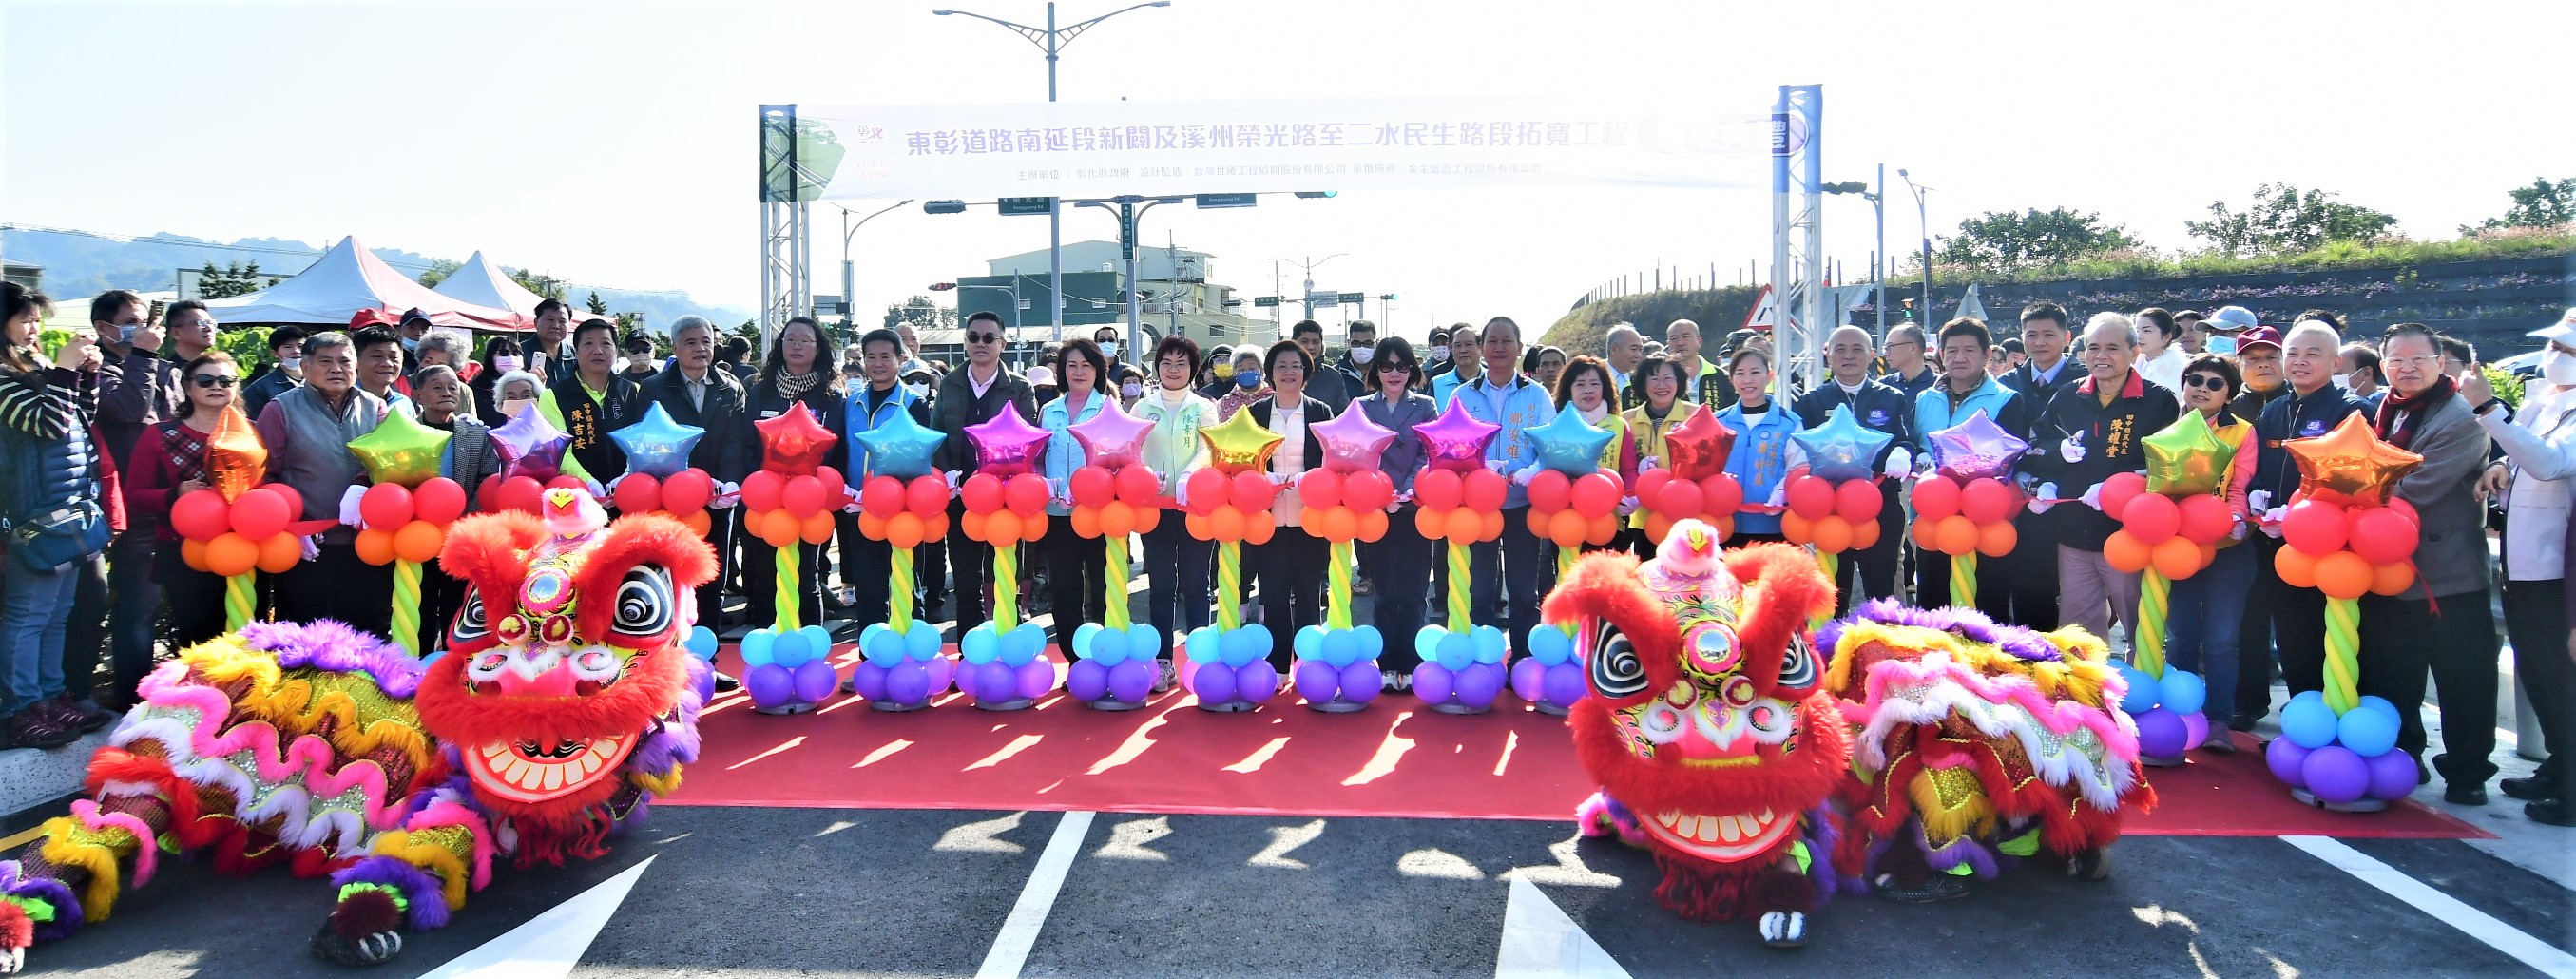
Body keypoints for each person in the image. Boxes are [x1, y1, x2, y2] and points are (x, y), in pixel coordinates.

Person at [2359, 322, 2498, 805]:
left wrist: (2350, 494)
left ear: (2443, 363)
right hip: (2391, 570)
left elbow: (2415, 487)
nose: (2407, 368)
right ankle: (2405, 757)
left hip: (2448, 575)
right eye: (2397, 359)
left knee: (2464, 680)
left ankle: (2467, 773)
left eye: (2419, 359)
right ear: (2383, 365)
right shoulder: (2387, 408)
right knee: (2392, 673)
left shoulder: (2461, 418)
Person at [2466, 309, 2576, 825]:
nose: (2555, 358)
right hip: (2524, 558)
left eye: (2568, 351)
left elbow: (2550, 462)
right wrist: (2497, 465)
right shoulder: (2547, 400)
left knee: (2559, 675)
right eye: (2555, 348)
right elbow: (2519, 457)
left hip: (2558, 569)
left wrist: (2488, 407)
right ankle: (2559, 765)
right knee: (2538, 669)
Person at [1, 284, 114, 747]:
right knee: (26, 615)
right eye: (25, 319)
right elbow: (47, 425)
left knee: (56, 614)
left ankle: (50, 697)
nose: (35, 328)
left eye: (37, 319)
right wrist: (65, 371)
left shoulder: (35, 367)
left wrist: (85, 377)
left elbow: (76, 419)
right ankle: (18, 708)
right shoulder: (4, 379)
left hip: (65, 509)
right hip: (31, 514)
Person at [2023, 312, 2181, 644]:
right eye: (2093, 347)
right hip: (2073, 532)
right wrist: (2057, 454)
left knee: (2141, 624)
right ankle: (2088, 693)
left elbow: (2167, 468)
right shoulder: (2068, 395)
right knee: (2078, 628)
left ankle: (2143, 689)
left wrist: (2120, 486)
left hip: (2128, 535)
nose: (2101, 356)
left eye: (2112, 347)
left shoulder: (2159, 401)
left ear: (2134, 352)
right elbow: (2036, 444)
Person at [2243, 320, 2365, 735]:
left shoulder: (2350, 410)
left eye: (2312, 354)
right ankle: (2303, 725)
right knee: (2293, 637)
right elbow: (2259, 465)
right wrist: (2259, 497)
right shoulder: (2276, 408)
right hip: (2276, 543)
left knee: (2329, 637)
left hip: (2329, 548)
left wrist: (2298, 514)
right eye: (2292, 353)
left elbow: (2351, 480)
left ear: (2335, 361)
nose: (2299, 362)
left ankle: (2335, 726)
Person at [253, 331, 394, 637]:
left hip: (366, 546)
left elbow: (386, 464)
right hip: (307, 548)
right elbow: (263, 478)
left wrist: (362, 483)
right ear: (304, 367)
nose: (336, 369)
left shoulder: (376, 408)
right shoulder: (280, 410)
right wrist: (290, 525)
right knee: (308, 636)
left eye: (345, 361)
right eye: (325, 361)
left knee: (369, 631)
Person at [123, 351, 249, 660]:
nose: (216, 386)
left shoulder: (251, 432)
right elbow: (134, 494)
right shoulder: (159, 434)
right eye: (206, 380)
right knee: (197, 641)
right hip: (184, 551)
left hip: (244, 548)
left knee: (244, 638)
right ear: (188, 387)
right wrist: (176, 493)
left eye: (225, 380)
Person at [2162, 354, 2259, 754]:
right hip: (2178, 546)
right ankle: (2181, 716)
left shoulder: (2243, 433)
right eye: (2195, 379)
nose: (2202, 388)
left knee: (2221, 638)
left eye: (2214, 383)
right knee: (2181, 634)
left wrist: (2234, 517)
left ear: (2229, 394)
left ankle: (2219, 718)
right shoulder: (2167, 428)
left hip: (2227, 546)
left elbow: (2240, 485)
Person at [1912, 317, 2029, 623]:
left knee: (1988, 603)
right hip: (1935, 516)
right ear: (1940, 353)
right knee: (1932, 601)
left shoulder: (2006, 400)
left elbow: (2013, 460)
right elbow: (1916, 445)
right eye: (1951, 351)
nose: (1959, 358)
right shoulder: (1925, 399)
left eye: (1968, 350)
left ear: (1987, 354)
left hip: (1986, 518)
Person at [1791, 325, 1916, 611]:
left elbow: (1907, 439)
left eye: (1858, 349)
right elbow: (1797, 450)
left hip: (1879, 501)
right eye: (1840, 350)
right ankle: (1833, 647)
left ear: (1872, 355)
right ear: (1827, 355)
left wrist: (1901, 452)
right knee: (1833, 586)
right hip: (1830, 507)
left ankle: (1881, 642)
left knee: (1881, 582)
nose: (1849, 356)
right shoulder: (1812, 401)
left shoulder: (1891, 396)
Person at [645, 316, 754, 636]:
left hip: (717, 497)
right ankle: (669, 656)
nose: (700, 349)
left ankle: (709, 657)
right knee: (669, 575)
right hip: (669, 497)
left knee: (712, 575)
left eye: (706, 341)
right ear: (675, 348)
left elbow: (737, 439)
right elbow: (647, 444)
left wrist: (731, 480)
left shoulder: (730, 387)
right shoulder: (653, 389)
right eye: (691, 342)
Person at [1455, 317, 1557, 661]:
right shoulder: (1462, 395)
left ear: (1519, 347)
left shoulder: (1537, 394)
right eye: (1492, 341)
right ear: (1482, 347)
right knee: (1481, 590)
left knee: (1523, 590)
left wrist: (1533, 470)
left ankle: (1524, 659)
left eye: (1507, 341)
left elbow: (1551, 447)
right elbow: (1447, 447)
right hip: (1478, 507)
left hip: (1523, 506)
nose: (1499, 348)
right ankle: (1484, 658)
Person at [932, 312, 1036, 636]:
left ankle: (1012, 649)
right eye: (973, 337)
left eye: (989, 338)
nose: (980, 344)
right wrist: (947, 473)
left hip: (1005, 497)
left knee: (1006, 576)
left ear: (1002, 344)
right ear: (965, 342)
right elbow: (936, 433)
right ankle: (969, 653)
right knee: (965, 581)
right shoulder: (949, 383)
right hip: (960, 494)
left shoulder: (1019, 387)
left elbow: (1030, 437)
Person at [1243, 340, 1333, 669]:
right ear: (1271, 373)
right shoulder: (1255, 413)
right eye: (1281, 366)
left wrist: (1310, 479)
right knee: (1273, 595)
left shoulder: (1320, 412)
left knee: (1309, 595)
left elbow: (1331, 461)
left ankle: (1308, 664)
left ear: (1305, 371)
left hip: (1308, 519)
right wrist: (1263, 478)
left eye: (1296, 365)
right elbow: (1245, 462)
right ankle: (1279, 664)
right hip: (1267, 521)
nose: (1289, 372)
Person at [1134, 336, 1214, 690]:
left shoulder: (1204, 407)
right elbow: (1131, 451)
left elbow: (1208, 448)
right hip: (1155, 508)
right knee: (1162, 586)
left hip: (1195, 505)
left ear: (1192, 369)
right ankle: (1162, 660)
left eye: (1182, 363)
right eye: (1167, 362)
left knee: (1197, 584)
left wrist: (1188, 475)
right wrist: (1145, 476)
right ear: (1158, 367)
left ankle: (1199, 659)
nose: (1173, 369)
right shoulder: (1141, 408)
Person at [1359, 336, 1437, 688]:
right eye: (1387, 365)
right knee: (1385, 588)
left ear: (1412, 370)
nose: (1395, 373)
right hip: (1376, 507)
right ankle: (1388, 662)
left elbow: (1430, 451)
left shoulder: (1425, 406)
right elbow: (1357, 452)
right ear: (1376, 369)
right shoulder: (1361, 407)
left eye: (1402, 366)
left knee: (1414, 586)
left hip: (1416, 506)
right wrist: (1382, 488)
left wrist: (1407, 487)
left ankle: (1413, 660)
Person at [2000, 302, 2083, 630]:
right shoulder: (2007, 383)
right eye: (2031, 335)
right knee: (2027, 579)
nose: (2039, 342)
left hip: (2072, 495)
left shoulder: (2084, 381)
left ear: (2066, 336)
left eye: (2049, 334)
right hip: (2019, 494)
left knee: (2075, 588)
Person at [411, 364, 497, 656]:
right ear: (418, 394)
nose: (447, 392)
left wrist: (462, 518)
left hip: (459, 534)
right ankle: (416, 662)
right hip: (416, 535)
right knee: (418, 603)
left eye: (452, 387)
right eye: (437, 387)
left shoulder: (476, 435)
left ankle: (453, 663)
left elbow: (487, 479)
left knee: (456, 603)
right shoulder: (406, 432)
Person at [1034, 338, 1115, 653]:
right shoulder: (1049, 410)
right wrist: (1046, 485)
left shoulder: (1109, 409)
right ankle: (1074, 658)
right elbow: (1038, 458)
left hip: (1098, 513)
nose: (1079, 372)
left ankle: (1106, 654)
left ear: (1098, 370)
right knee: (1065, 587)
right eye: (1071, 365)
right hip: (1057, 514)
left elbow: (1118, 461)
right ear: (1061, 370)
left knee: (1103, 585)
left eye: (1086, 365)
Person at [537, 318, 644, 486]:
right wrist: (588, 483)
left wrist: (628, 475)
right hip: (577, 496)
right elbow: (560, 452)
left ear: (616, 351)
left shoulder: (633, 391)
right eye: (588, 344)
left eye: (606, 344)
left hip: (631, 490)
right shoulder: (553, 396)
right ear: (576, 351)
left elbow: (643, 442)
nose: (598, 350)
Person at [1713, 349, 1802, 545]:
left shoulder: (1789, 422)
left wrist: (1782, 492)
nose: (1747, 380)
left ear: (1769, 376)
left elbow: (1799, 468)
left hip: (1774, 525)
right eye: (1740, 373)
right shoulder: (1717, 421)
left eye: (1755, 372)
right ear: (1731, 379)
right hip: (1725, 525)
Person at [1622, 356, 1691, 554]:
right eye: (1653, 378)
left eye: (1668, 378)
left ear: (1679, 381)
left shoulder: (1694, 415)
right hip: (1644, 517)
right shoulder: (1627, 419)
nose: (1662, 385)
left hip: (1685, 512)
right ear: (1643, 384)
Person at [1551, 355, 1636, 508]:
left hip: (1609, 512)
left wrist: (1630, 497)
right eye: (1580, 384)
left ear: (1604, 388)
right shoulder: (1556, 425)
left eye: (1595, 384)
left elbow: (1629, 470)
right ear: (1569, 390)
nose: (1588, 390)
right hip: (1567, 513)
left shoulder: (1619, 425)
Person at [240, 324, 309, 421]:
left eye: (300, 346)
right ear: (275, 353)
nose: (296, 351)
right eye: (288, 347)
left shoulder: (319, 382)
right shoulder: (259, 389)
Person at [1662, 318, 1730, 410]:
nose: (1680, 343)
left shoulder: (1721, 376)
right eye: (1674, 338)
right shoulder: (1660, 378)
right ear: (1668, 344)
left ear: (1699, 341)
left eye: (1686, 337)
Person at [1288, 320, 1354, 413]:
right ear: (1293, 343)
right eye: (1304, 341)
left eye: (1315, 342)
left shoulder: (1333, 377)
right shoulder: (1281, 374)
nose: (1310, 347)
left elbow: (1344, 415)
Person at [351, 324, 414, 417]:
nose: (387, 363)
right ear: (356, 360)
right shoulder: (344, 402)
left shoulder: (403, 403)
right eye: (377, 356)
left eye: (393, 357)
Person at [2133, 308, 2188, 403]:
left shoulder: (2180, 369)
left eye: (2147, 331)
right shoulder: (2132, 365)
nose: (2139, 336)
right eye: (2137, 330)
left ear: (2167, 336)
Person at [471, 335, 522, 428]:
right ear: (490, 356)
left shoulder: (527, 387)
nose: (511, 357)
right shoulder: (477, 389)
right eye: (503, 353)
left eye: (515, 353)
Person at [1431, 320, 1484, 407]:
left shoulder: (1494, 381)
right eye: (1458, 345)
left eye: (1469, 344)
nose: (1463, 350)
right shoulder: (1436, 384)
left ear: (1480, 347)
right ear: (1450, 348)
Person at [1878, 323, 1935, 400]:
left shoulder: (1939, 386)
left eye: (1890, 346)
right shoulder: (1882, 386)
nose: (1885, 354)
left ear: (1913, 348)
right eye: (1885, 348)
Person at [523, 298, 574, 383]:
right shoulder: (519, 354)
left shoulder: (576, 355)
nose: (556, 326)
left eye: (562, 321)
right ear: (536, 322)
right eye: (550, 320)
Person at [1214, 346, 1269, 420]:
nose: (1246, 372)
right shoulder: (1224, 403)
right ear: (1234, 372)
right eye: (1241, 369)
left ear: (1262, 370)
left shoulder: (1273, 399)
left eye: (1252, 368)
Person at [1603, 323, 1645, 408]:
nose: (1638, 355)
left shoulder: (1640, 379)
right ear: (1614, 349)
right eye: (1633, 349)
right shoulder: (1594, 375)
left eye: (1640, 350)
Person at [1336, 319, 1376, 397]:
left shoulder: (1386, 373)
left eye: (1368, 343)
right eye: (1356, 343)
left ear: (1376, 343)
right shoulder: (1336, 374)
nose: (1362, 348)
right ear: (1348, 343)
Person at [2339, 342, 2386, 409]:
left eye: (2338, 373)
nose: (2331, 378)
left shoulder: (2387, 408)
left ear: (2366, 373)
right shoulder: (2337, 404)